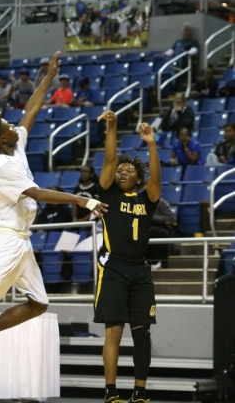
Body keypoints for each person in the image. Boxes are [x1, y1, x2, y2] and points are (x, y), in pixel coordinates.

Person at [0, 51, 108, 393]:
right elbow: (38, 193)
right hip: (6, 240)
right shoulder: (2, 166)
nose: (15, 126)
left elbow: (31, 109)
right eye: (8, 126)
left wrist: (49, 76)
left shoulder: (15, 147)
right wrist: (81, 198)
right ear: (2, 139)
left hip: (22, 240)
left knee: (38, 304)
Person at [93, 110, 161, 403]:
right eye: (120, 170)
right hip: (115, 269)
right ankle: (110, 392)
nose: (121, 172)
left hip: (141, 272)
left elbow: (156, 177)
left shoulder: (148, 198)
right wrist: (113, 126)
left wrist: (151, 144)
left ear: (138, 178)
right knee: (114, 333)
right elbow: (109, 160)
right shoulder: (109, 195)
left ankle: (140, 391)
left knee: (142, 335)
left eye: (128, 171)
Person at [145, 198, 177, 270]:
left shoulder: (161, 203)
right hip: (144, 228)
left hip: (160, 228)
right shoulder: (139, 202)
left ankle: (155, 261)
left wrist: (152, 218)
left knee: (153, 232)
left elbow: (171, 218)